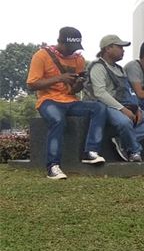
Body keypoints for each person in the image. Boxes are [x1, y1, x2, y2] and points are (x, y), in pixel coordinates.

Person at [26, 27, 107, 180]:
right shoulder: (41, 56)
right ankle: (53, 166)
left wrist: (79, 83)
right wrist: (60, 78)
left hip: (70, 100)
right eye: (69, 48)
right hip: (48, 100)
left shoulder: (78, 59)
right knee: (57, 120)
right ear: (60, 42)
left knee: (99, 108)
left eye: (75, 48)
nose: (72, 52)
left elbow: (74, 90)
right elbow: (31, 84)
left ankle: (90, 152)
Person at [84, 35, 144, 162]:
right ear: (108, 48)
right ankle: (135, 151)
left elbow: (128, 91)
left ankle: (122, 141)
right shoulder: (98, 66)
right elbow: (100, 93)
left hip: (121, 103)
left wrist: (137, 108)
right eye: (119, 47)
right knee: (124, 122)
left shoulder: (119, 69)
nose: (123, 50)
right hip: (103, 104)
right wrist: (123, 109)